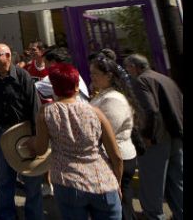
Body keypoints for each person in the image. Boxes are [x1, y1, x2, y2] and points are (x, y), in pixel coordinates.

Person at [29, 63, 123, 220]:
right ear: (77, 87)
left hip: (68, 182)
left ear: (54, 88)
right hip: (103, 181)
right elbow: (116, 156)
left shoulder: (46, 113)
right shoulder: (96, 112)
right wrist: (117, 181)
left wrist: (29, 143)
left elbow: (40, 149)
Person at [0, 43, 43, 220]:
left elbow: (34, 106)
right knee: (5, 178)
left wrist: (35, 136)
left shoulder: (22, 76)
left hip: (24, 132)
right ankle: (7, 215)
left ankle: (34, 216)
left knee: (31, 177)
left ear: (8, 56)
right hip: (3, 133)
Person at [124, 54, 183, 220]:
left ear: (134, 67)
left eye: (128, 68)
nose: (128, 71)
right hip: (174, 137)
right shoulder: (165, 79)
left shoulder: (141, 81)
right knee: (176, 183)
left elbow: (150, 110)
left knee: (152, 187)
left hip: (157, 140)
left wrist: (147, 135)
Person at [90, 54, 144, 220]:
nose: (92, 77)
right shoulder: (104, 94)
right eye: (91, 73)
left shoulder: (113, 99)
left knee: (121, 204)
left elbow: (106, 132)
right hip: (111, 156)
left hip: (117, 157)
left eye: (95, 74)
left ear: (108, 76)